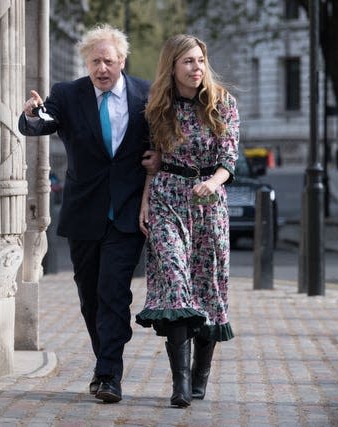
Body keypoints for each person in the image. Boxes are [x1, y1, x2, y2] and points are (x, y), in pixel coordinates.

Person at [18, 24, 159, 404]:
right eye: (95, 61)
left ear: (121, 61)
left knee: (114, 292)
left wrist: (160, 158)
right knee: (90, 297)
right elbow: (41, 123)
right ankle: (104, 362)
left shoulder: (145, 94)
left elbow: (165, 137)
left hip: (127, 212)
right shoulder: (68, 94)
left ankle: (109, 374)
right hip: (84, 212)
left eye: (108, 61)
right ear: (87, 62)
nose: (101, 68)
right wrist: (32, 114)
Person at [135, 34, 239, 408]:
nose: (196, 68)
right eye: (188, 62)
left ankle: (200, 377)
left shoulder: (222, 104)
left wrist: (212, 181)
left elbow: (229, 158)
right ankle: (179, 385)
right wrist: (146, 198)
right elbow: (154, 159)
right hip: (167, 199)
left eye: (200, 61)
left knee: (207, 288)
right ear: (172, 67)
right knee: (176, 283)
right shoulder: (158, 108)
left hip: (209, 204)